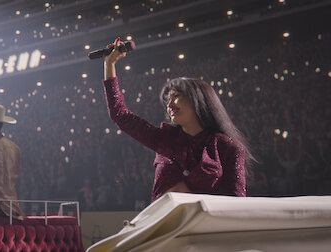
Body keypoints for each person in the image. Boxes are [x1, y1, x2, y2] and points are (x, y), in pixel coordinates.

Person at [102, 37, 255, 202]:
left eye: (176, 96)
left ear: (198, 99)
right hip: (164, 225)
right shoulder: (164, 139)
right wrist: (109, 65)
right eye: (168, 99)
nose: (170, 103)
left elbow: (237, 201)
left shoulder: (229, 147)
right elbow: (120, 115)